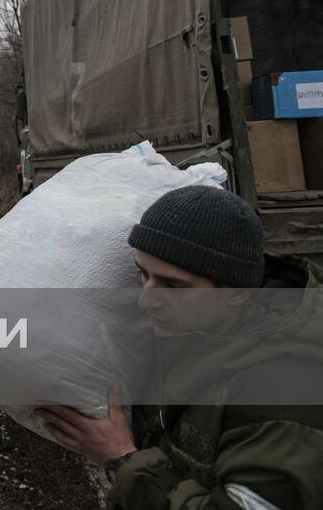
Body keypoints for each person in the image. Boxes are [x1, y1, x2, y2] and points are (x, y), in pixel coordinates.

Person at [35, 184, 323, 510]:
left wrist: (122, 460)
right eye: (144, 275)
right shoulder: (187, 334)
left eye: (173, 286)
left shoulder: (284, 391)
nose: (146, 301)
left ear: (237, 292)